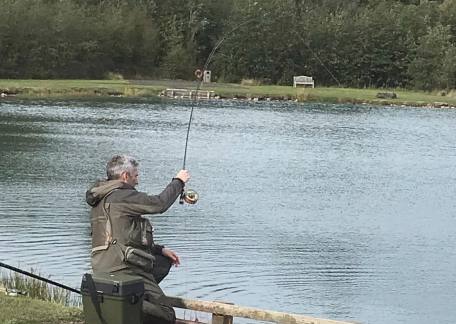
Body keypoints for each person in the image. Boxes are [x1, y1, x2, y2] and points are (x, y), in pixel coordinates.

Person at [86, 154, 190, 324]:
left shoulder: (101, 197)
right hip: (124, 268)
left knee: (163, 260)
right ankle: (127, 301)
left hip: (102, 266)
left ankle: (131, 298)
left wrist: (159, 249)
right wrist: (179, 181)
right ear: (125, 176)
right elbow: (159, 204)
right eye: (136, 175)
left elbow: (123, 236)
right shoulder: (123, 196)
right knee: (167, 314)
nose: (137, 180)